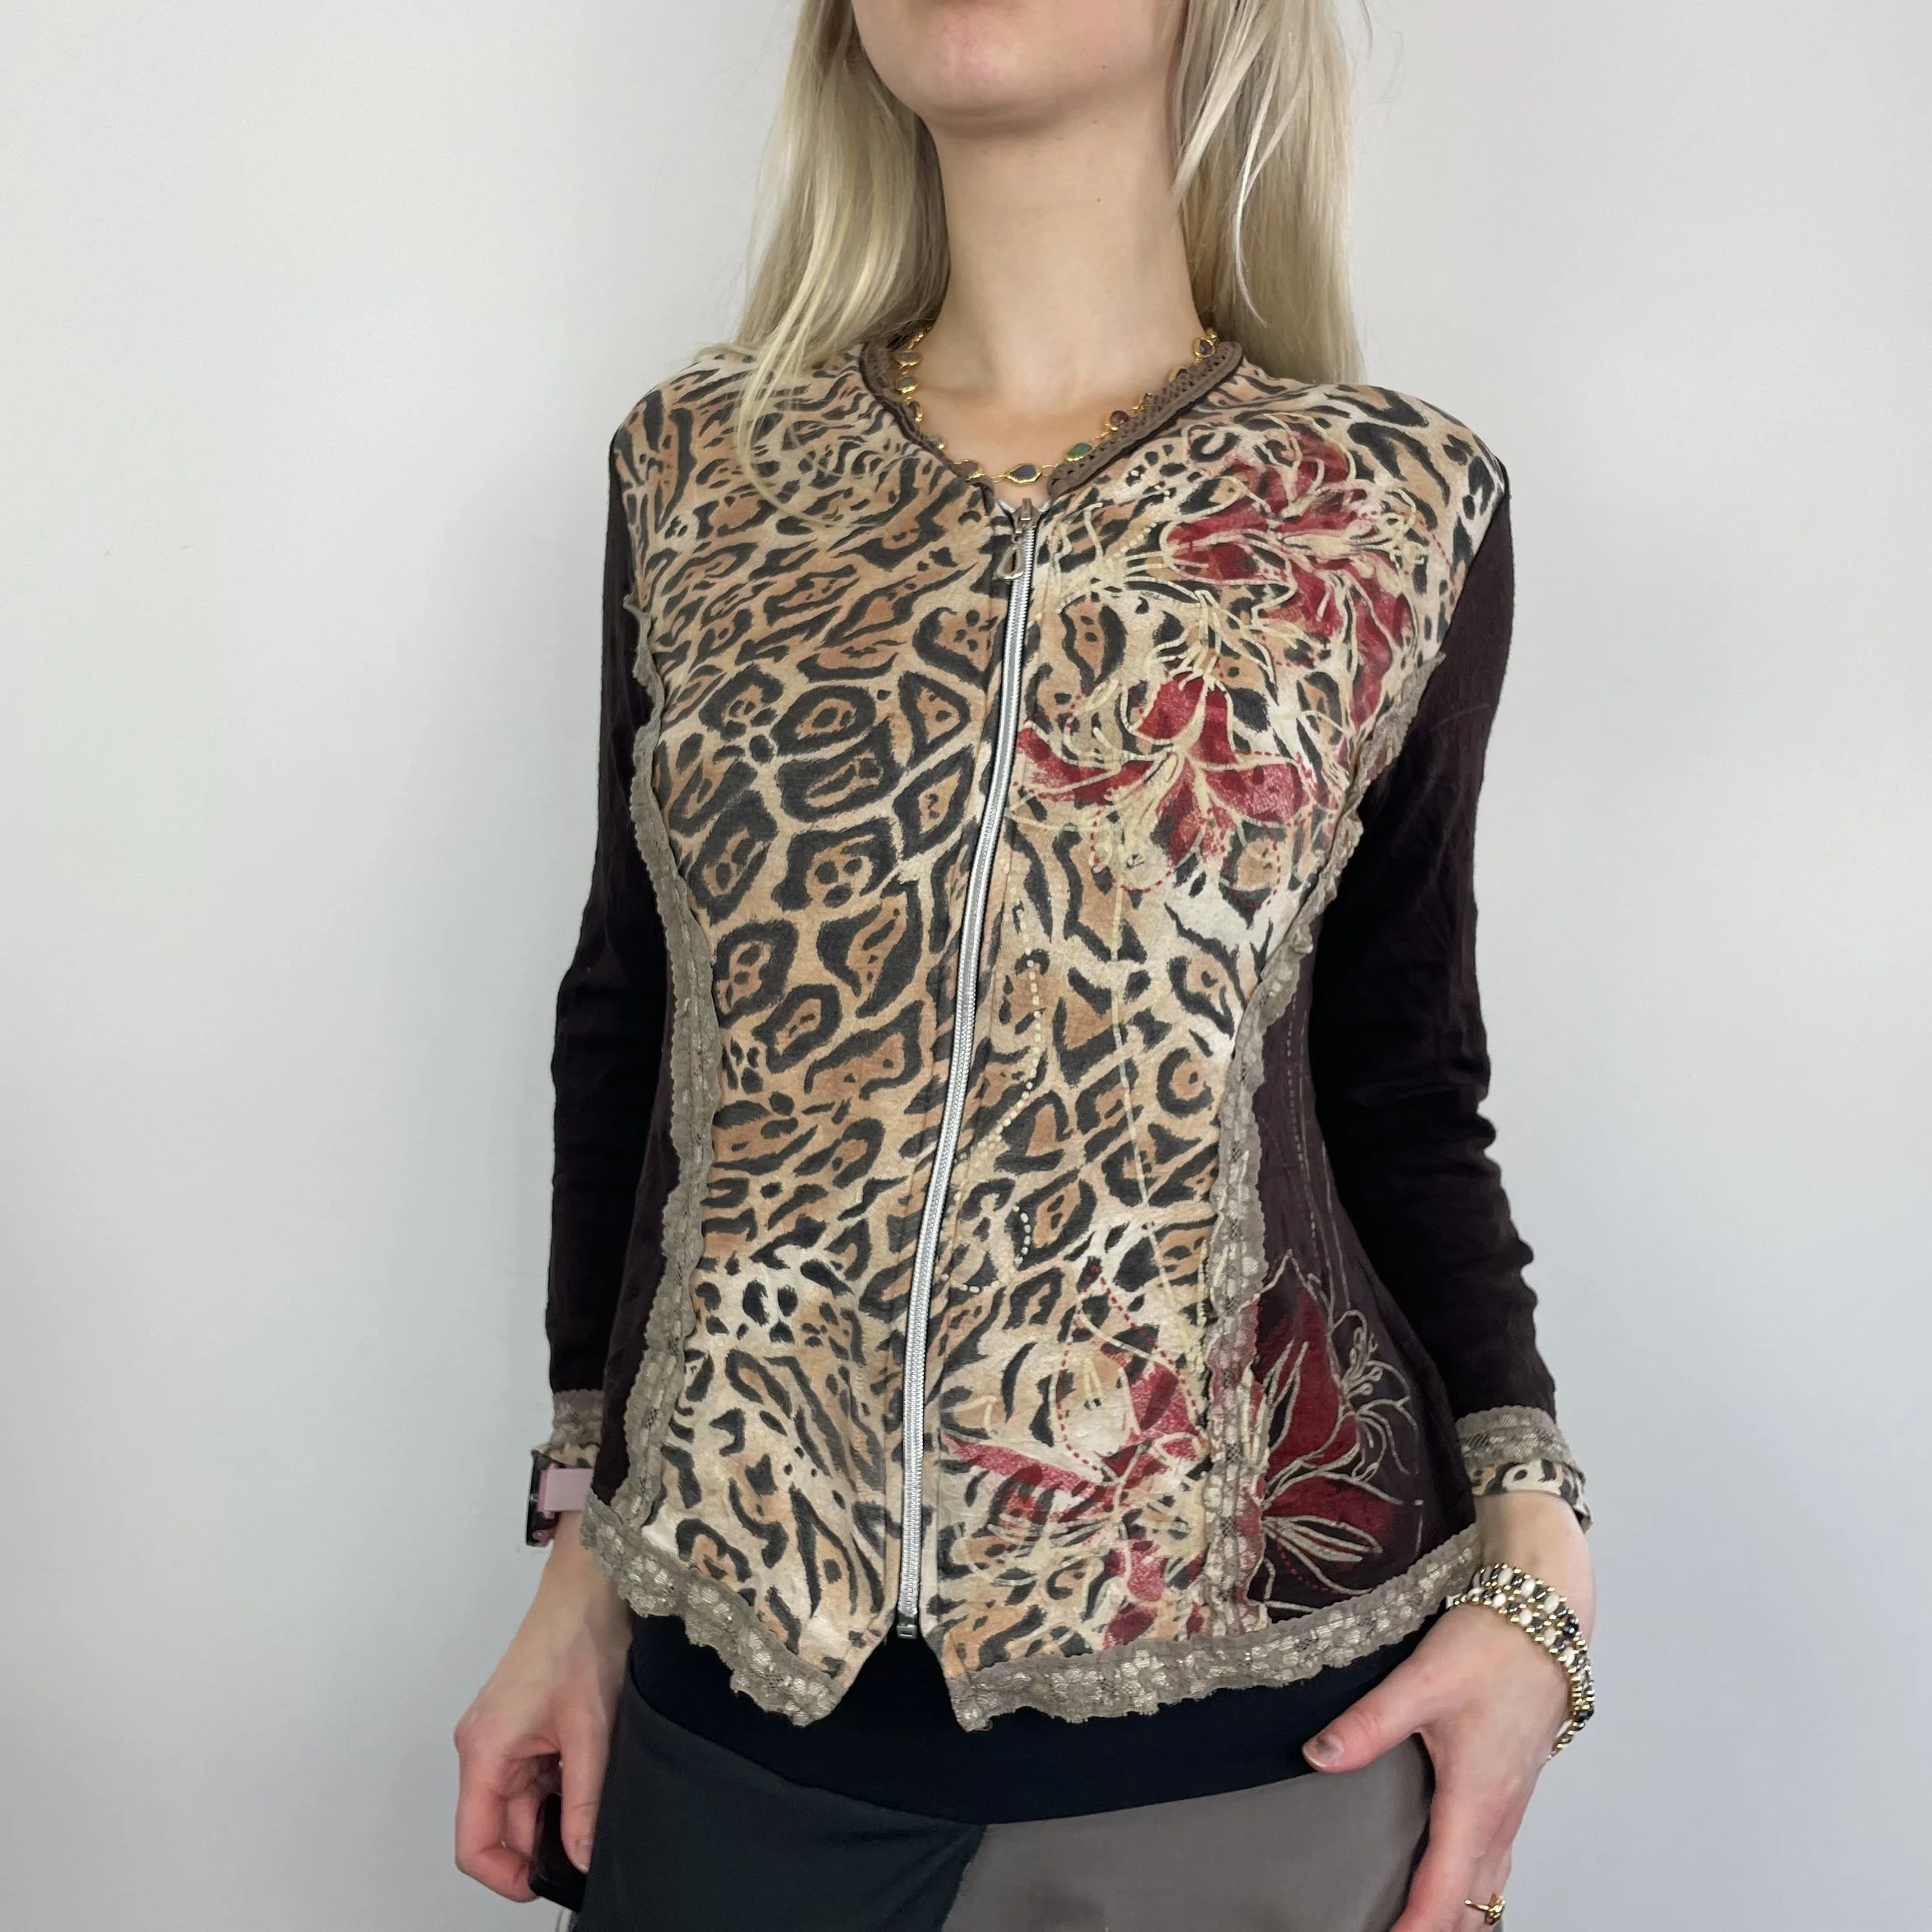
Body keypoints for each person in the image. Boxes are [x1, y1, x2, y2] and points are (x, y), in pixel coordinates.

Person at [453, 3, 1597, 1928]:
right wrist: (579, 1551)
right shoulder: (702, 471)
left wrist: (1538, 1560)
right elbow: (635, 1036)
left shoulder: (1386, 506)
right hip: (735, 1730)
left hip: (1245, 1749)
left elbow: (1401, 1081)